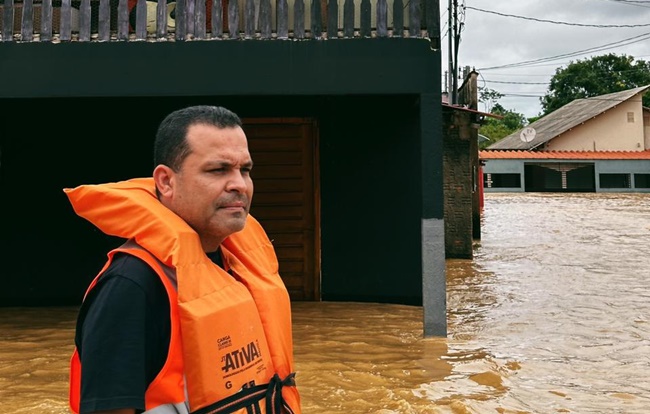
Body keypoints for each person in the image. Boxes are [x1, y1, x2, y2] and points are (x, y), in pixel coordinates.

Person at [64, 105, 301, 414]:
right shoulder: (131, 287)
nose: (239, 184)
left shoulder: (238, 268)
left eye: (245, 170)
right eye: (218, 170)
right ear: (165, 182)